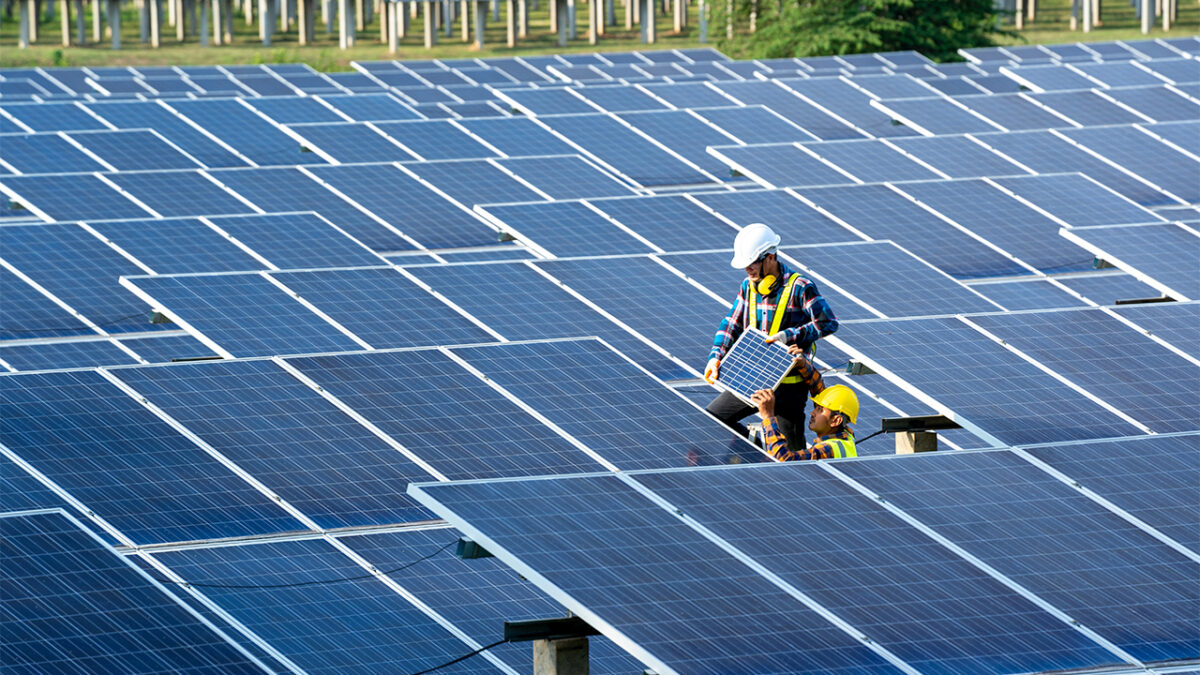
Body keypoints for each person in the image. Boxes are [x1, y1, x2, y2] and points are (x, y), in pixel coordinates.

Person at [704, 223, 839, 450]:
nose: (748, 269)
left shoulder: (800, 286)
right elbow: (731, 323)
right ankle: (754, 447)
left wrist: (789, 336)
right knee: (712, 418)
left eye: (752, 263)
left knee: (791, 456)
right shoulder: (748, 286)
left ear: (771, 257)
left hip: (789, 388)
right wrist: (715, 356)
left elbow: (828, 323)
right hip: (752, 379)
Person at [751, 384, 859, 461]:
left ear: (836, 420)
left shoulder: (828, 449)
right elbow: (819, 387)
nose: (812, 412)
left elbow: (782, 459)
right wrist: (803, 364)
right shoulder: (847, 436)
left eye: (820, 410)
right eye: (816, 408)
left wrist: (768, 416)